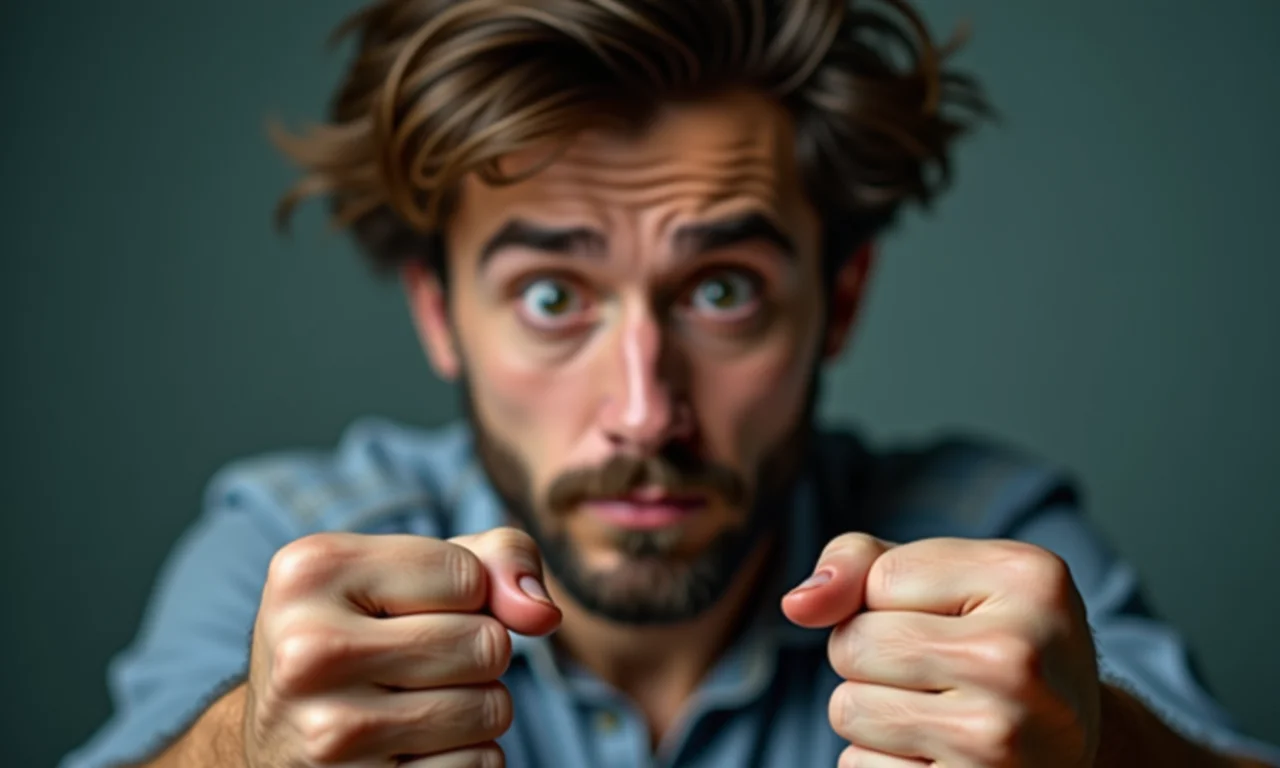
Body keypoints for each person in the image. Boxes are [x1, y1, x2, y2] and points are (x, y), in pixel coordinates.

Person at [62, 0, 1279, 766]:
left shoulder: (986, 540)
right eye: (552, 298)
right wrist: (242, 751)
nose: (643, 411)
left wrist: (1099, 750)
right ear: (440, 314)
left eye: (721, 290)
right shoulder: (286, 546)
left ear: (839, 298)